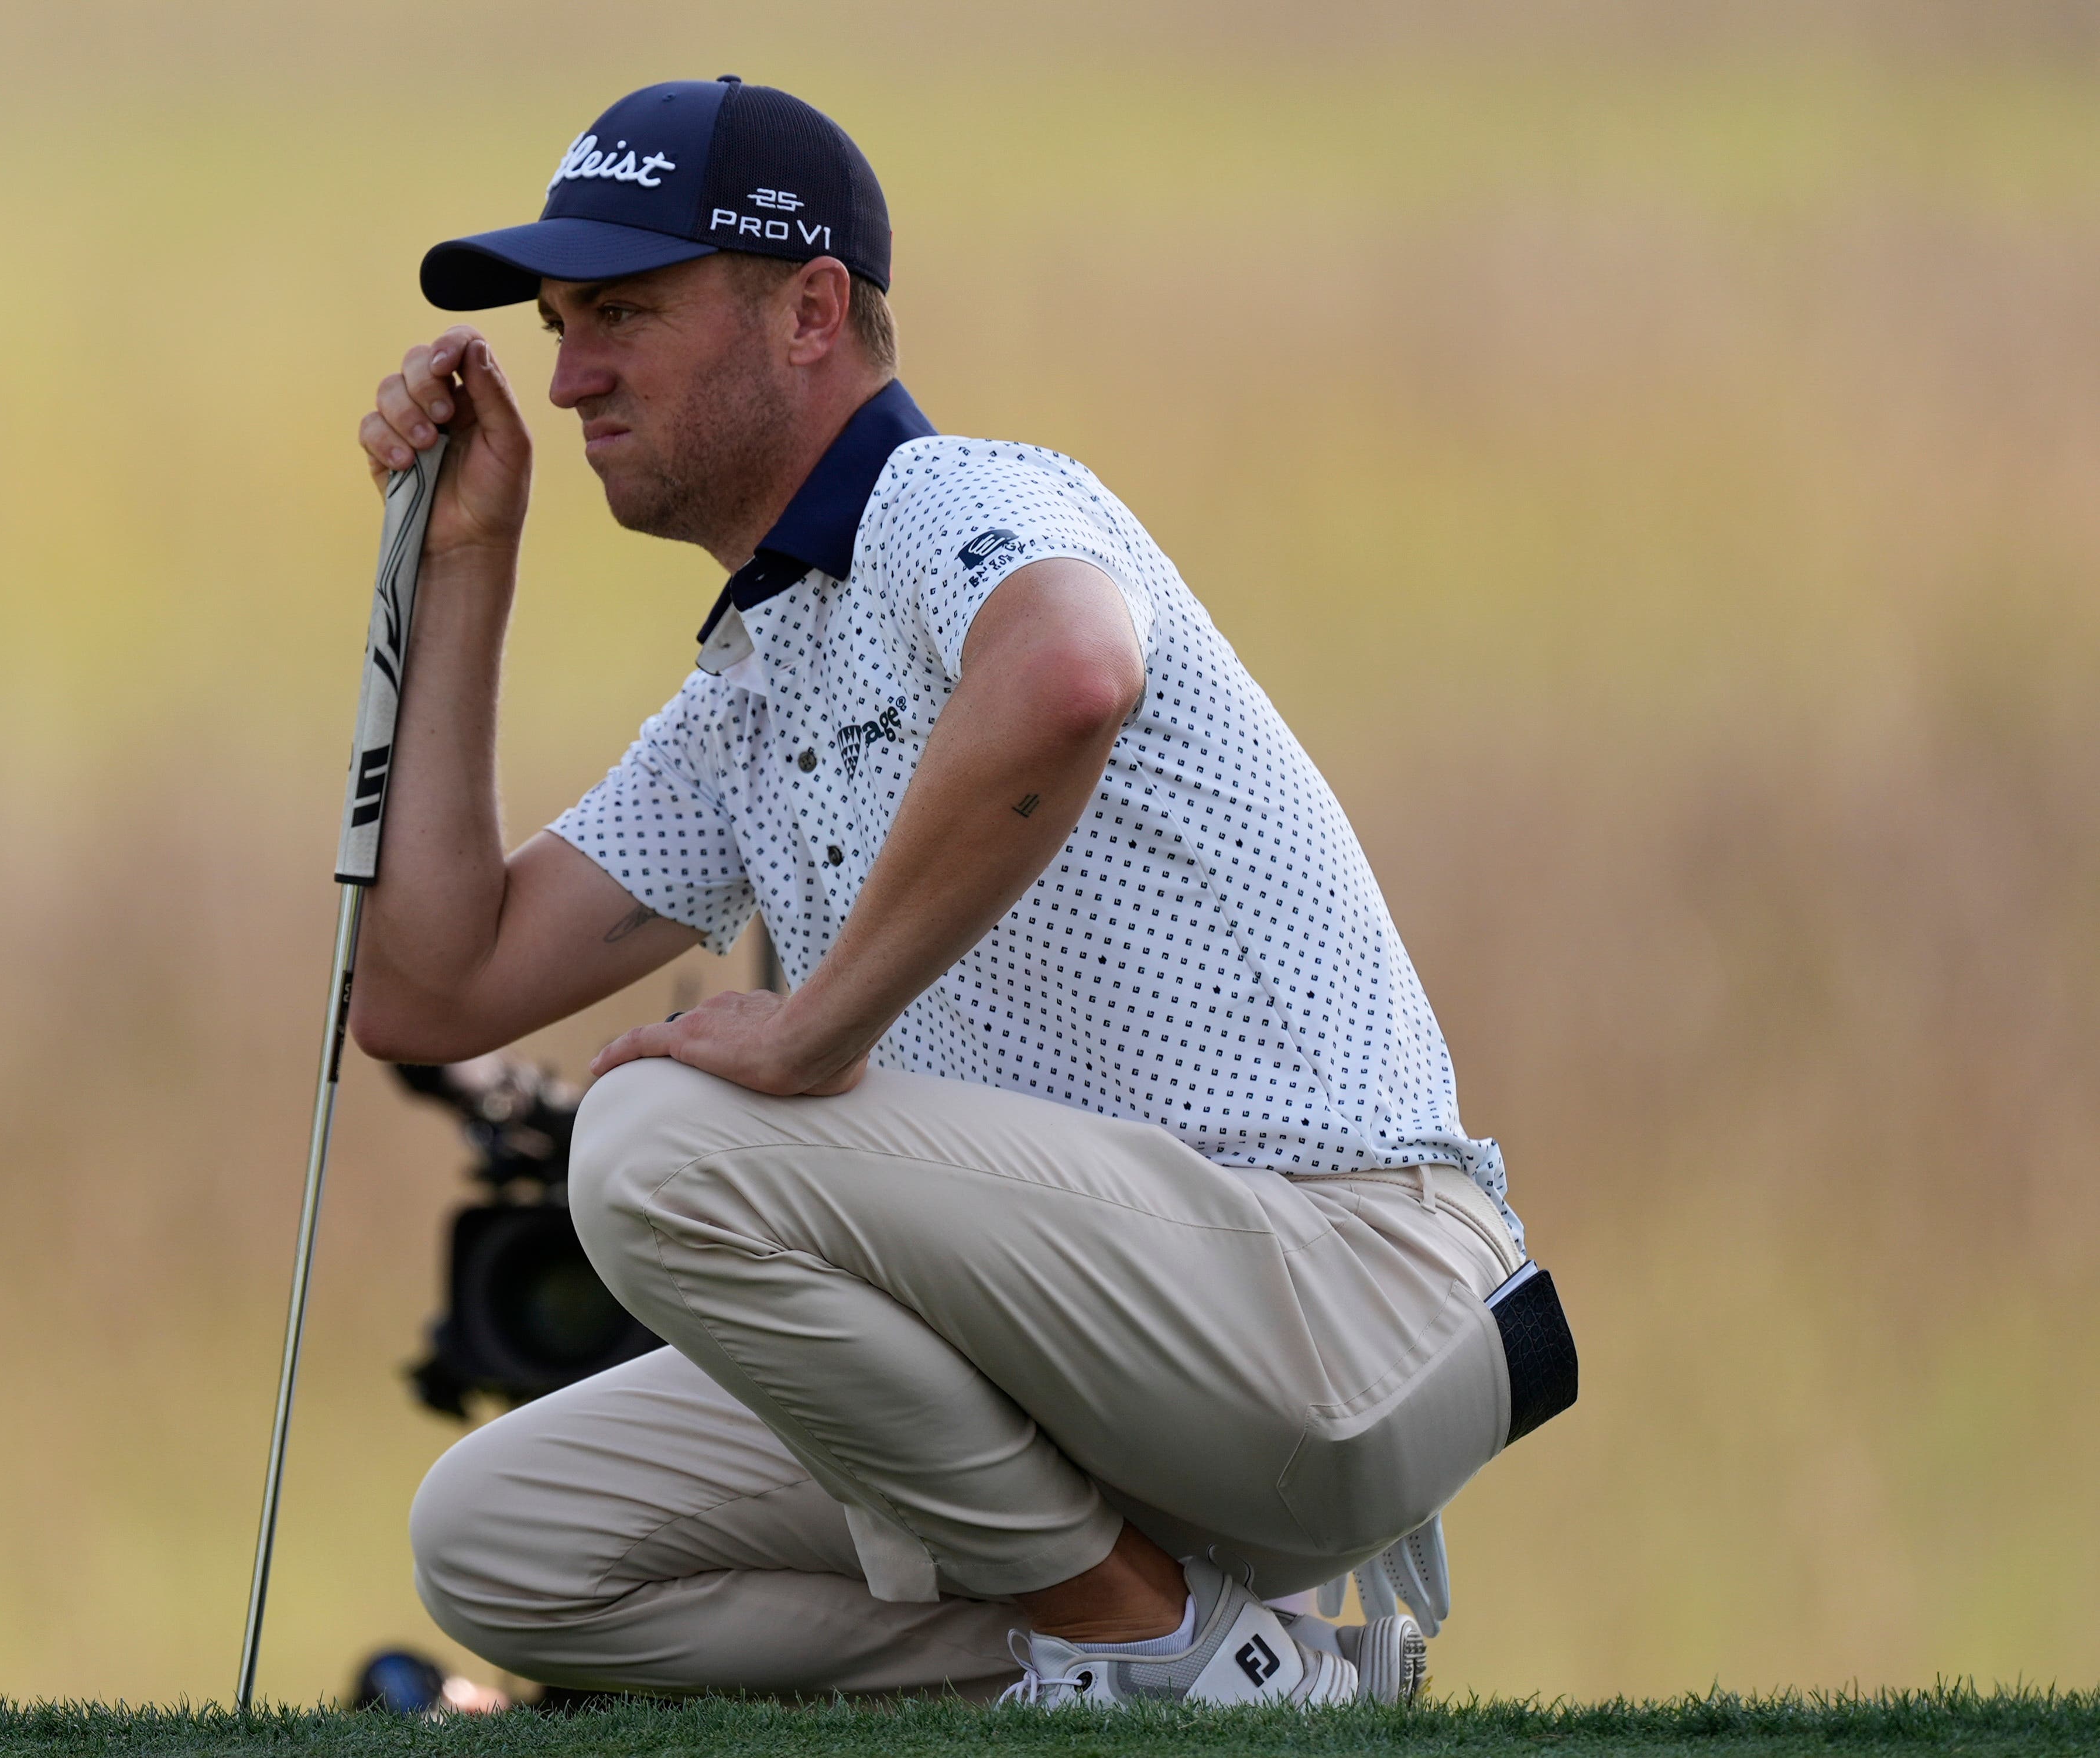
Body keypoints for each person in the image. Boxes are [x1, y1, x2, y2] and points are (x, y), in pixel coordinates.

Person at [350, 76, 1570, 1708]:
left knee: (651, 1139)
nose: (571, 377)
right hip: (1106, 1387)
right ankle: (1200, 1652)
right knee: (497, 1537)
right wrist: (466, 558)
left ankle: (1163, 1643)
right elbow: (433, 984)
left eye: (625, 312)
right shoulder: (758, 682)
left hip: (1347, 1296)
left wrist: (809, 1031)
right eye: (562, 323)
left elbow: (1071, 668)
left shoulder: (955, 501)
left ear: (812, 310)